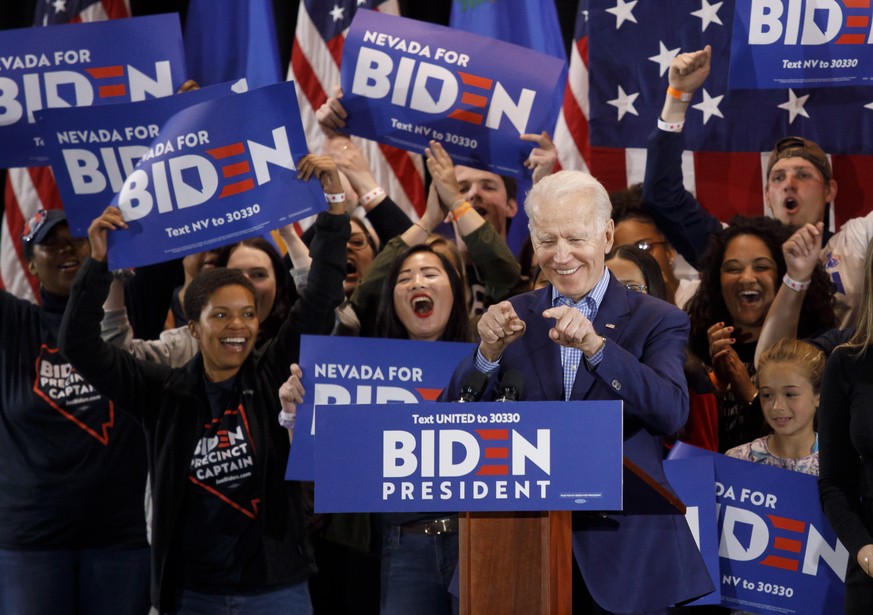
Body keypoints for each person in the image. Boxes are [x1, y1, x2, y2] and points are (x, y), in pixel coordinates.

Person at [59, 155, 349, 614]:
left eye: (248, 314)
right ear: (192, 327)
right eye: (220, 314)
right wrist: (97, 264)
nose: (238, 326)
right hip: (190, 594)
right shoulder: (160, 391)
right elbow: (77, 344)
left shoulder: (271, 372)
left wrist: (334, 207)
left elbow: (321, 297)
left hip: (275, 591)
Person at [442, 170, 714, 613]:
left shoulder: (656, 319)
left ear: (606, 236)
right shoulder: (513, 316)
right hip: (519, 553)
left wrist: (597, 348)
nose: (561, 255)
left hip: (627, 559)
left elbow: (671, 412)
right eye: (547, 240)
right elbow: (448, 425)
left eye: (575, 238)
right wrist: (487, 354)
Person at [645, 45, 873, 329]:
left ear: (830, 190)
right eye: (778, 178)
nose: (789, 184)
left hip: (839, 371)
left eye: (803, 175)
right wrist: (678, 97)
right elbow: (662, 196)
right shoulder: (735, 249)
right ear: (768, 194)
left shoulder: (856, 245)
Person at [0, 209, 150, 614]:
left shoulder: (129, 309)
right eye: (50, 242)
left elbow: (174, 251)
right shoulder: (13, 324)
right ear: (29, 264)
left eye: (78, 238)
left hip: (121, 537)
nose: (67, 247)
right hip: (33, 542)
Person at [685, 216, 834, 453]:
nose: (747, 278)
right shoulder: (693, 346)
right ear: (716, 280)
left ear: (782, 275)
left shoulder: (815, 350)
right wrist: (715, 383)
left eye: (761, 267)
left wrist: (752, 395)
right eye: (733, 269)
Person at [726, 339, 822, 474]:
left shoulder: (840, 463)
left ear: (818, 396)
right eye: (767, 395)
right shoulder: (739, 460)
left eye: (790, 394)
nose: (777, 407)